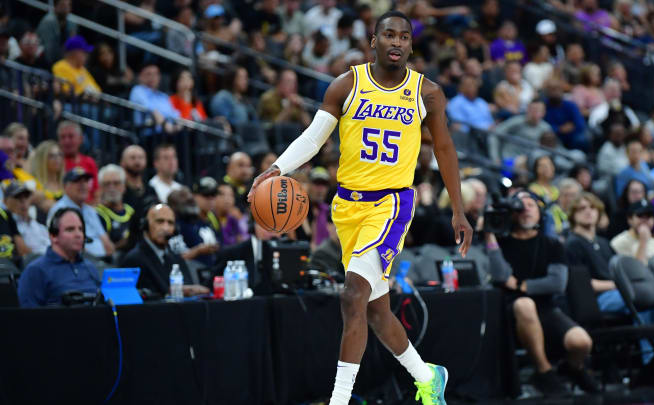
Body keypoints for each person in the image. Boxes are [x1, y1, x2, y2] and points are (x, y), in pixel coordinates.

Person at [247, 11, 472, 404]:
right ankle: (428, 376)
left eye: (404, 36)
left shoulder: (427, 93)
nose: (397, 42)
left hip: (392, 205)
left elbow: (445, 149)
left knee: (352, 295)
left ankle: (339, 400)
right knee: (375, 312)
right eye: (389, 34)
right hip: (348, 206)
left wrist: (458, 209)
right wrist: (275, 169)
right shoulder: (347, 84)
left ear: (411, 45)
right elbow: (315, 138)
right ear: (374, 41)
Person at [484, 190, 600, 396]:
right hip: (511, 309)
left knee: (582, 342)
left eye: (531, 205)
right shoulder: (502, 243)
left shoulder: (552, 244)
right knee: (524, 304)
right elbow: (501, 276)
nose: (526, 209)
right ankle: (544, 371)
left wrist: (520, 285)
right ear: (513, 213)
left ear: (540, 213)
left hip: (546, 308)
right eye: (520, 206)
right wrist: (490, 234)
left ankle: (573, 368)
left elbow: (557, 283)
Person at [120, 204, 209, 297]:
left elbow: (188, 285)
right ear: (145, 225)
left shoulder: (176, 258)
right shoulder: (134, 259)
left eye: (170, 223)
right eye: (160, 222)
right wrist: (174, 291)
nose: (166, 228)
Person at [17, 207, 100, 307]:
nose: (78, 234)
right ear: (53, 236)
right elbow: (27, 316)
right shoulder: (36, 270)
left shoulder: (90, 267)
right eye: (70, 229)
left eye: (81, 229)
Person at [564, 193, 619, 311]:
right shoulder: (572, 244)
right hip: (595, 299)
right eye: (582, 208)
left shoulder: (604, 242)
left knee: (652, 297)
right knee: (638, 298)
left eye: (592, 207)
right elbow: (581, 283)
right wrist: (618, 285)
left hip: (615, 292)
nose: (588, 211)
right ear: (573, 215)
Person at [47, 168, 114, 259]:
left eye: (86, 181)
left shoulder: (90, 210)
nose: (83, 185)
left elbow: (105, 240)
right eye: (77, 181)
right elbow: (63, 245)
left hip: (102, 261)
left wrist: (109, 257)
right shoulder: (59, 210)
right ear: (66, 186)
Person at [167, 187, 220, 266]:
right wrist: (197, 251)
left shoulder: (202, 222)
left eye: (191, 200)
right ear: (174, 206)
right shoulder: (175, 227)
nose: (191, 204)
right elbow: (175, 260)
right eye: (187, 202)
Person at [610, 199, 654, 264]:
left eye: (649, 216)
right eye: (640, 215)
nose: (645, 220)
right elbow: (633, 272)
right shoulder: (618, 242)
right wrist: (643, 241)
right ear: (630, 219)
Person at [129, 63, 180, 134]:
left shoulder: (164, 96)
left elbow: (174, 114)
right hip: (148, 134)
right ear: (140, 77)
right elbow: (149, 108)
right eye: (148, 74)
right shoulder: (137, 90)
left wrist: (179, 124)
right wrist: (164, 124)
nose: (153, 77)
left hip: (169, 133)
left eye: (156, 74)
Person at [95, 164, 135, 251]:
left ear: (124, 186)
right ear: (100, 187)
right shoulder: (97, 215)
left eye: (116, 183)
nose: (111, 188)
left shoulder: (131, 211)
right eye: (107, 184)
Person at [57, 121, 99, 202]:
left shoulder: (90, 162)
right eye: (62, 137)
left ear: (81, 139)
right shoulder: (56, 163)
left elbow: (97, 193)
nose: (66, 141)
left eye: (71, 136)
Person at [4, 181, 49, 255]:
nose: (23, 201)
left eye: (26, 196)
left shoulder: (38, 224)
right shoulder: (7, 226)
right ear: (6, 202)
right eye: (17, 197)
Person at [544, 78, 588, 152]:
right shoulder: (544, 106)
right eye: (552, 89)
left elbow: (580, 124)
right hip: (553, 136)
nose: (555, 92)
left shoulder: (570, 105)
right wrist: (559, 129)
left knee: (582, 139)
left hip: (571, 136)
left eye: (557, 89)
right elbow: (542, 125)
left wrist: (570, 128)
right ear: (547, 92)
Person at [36, 0, 76, 65]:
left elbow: (72, 47)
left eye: (68, 5)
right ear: (55, 6)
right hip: (45, 60)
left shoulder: (72, 24)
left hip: (61, 61)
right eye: (63, 5)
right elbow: (48, 49)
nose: (65, 8)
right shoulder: (48, 21)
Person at [28, 140, 65, 211]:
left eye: (59, 154)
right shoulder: (33, 185)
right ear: (41, 159)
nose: (57, 159)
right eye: (51, 156)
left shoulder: (66, 184)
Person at [120, 145, 158, 213]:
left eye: (141, 157)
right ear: (122, 162)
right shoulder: (119, 189)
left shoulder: (150, 190)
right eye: (132, 158)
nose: (137, 161)